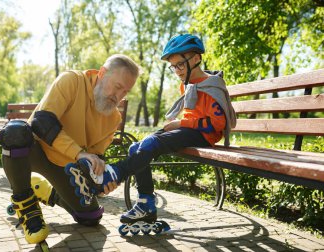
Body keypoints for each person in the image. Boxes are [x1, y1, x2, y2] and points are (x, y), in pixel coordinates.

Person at [67, 34, 236, 235]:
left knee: (152, 143)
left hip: (205, 136)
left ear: (196, 59)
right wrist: (177, 125)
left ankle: (116, 173)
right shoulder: (187, 84)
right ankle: (146, 202)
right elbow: (190, 118)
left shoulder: (211, 85)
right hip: (190, 131)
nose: (177, 71)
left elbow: (219, 124)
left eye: (180, 65)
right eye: (174, 67)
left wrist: (181, 123)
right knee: (136, 147)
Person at [0, 54, 141, 245]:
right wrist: (79, 152)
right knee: (14, 132)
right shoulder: (71, 80)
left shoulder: (113, 118)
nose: (119, 97)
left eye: (125, 92)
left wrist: (100, 180)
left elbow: (95, 158)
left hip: (66, 167)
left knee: (90, 217)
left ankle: (48, 192)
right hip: (36, 150)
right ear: (102, 73)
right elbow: (42, 122)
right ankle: (27, 206)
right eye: (117, 87)